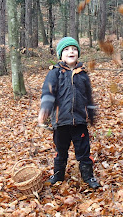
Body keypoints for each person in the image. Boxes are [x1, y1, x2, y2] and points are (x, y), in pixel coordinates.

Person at [38, 37, 101, 189]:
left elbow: (88, 96)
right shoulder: (55, 73)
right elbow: (48, 91)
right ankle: (58, 174)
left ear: (78, 53)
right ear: (61, 55)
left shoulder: (83, 74)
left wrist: (91, 115)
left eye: (73, 49)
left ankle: (88, 176)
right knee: (61, 151)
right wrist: (45, 108)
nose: (70, 51)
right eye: (66, 50)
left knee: (84, 151)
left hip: (79, 121)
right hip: (60, 122)